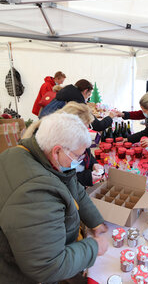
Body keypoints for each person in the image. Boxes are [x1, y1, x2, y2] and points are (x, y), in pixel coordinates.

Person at [0, 112, 108, 283]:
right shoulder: (36, 193)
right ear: (57, 150)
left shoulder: (26, 154)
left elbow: (75, 189)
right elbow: (48, 265)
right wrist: (94, 247)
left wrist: (95, 220)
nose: (80, 161)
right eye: (78, 156)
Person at [23, 102, 104, 187]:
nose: (86, 132)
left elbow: (85, 153)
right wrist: (86, 178)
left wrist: (94, 164)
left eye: (88, 128)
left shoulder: (74, 141)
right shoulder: (50, 152)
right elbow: (60, 179)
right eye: (84, 128)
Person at [40, 79, 116, 131]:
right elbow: (98, 126)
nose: (87, 99)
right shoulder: (78, 103)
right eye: (88, 95)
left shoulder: (63, 95)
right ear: (85, 91)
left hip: (44, 129)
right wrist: (110, 117)